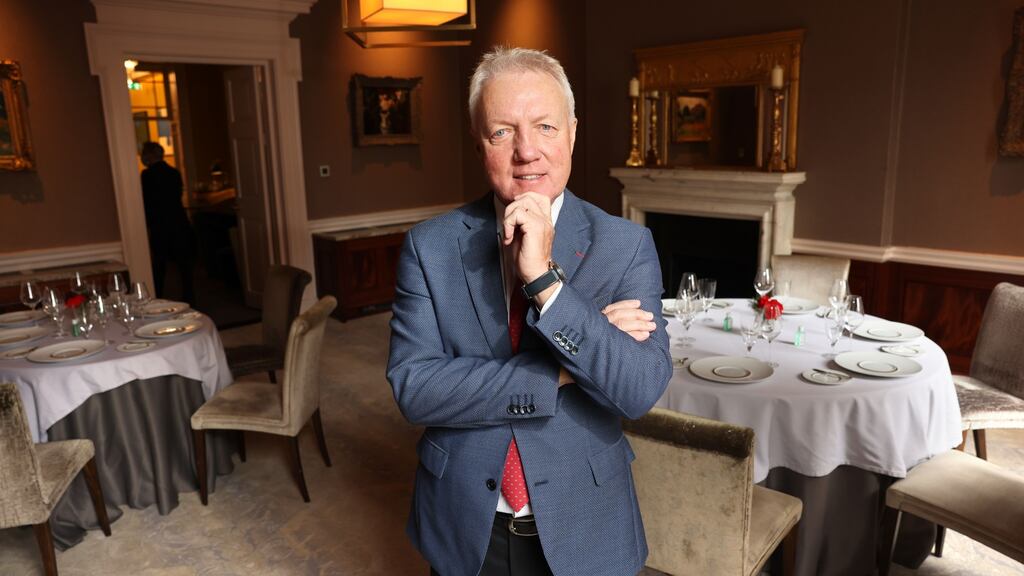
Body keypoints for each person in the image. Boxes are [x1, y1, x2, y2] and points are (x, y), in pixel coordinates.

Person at [387, 47, 671, 576]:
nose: (527, 151)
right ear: (478, 143)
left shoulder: (625, 246)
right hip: (466, 522)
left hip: (586, 521)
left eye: (544, 126)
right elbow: (415, 389)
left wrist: (544, 282)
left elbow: (638, 389)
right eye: (502, 132)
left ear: (572, 133)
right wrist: (560, 369)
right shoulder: (430, 247)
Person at [140, 141, 196, 304]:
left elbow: (147, 202)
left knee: (159, 264)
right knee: (184, 265)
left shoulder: (147, 176)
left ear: (149, 156)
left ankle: (156, 299)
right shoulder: (174, 173)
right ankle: (190, 298)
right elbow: (177, 196)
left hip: (160, 225)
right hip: (179, 222)